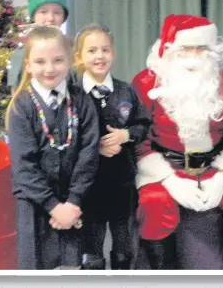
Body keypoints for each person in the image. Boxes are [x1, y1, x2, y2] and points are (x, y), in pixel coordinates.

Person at [131, 14, 223, 270]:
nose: (193, 56)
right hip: (165, 168)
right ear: (167, 51)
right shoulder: (145, 83)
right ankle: (163, 273)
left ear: (213, 51)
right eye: (184, 49)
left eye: (201, 49)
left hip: (216, 167)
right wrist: (168, 180)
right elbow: (139, 141)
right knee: (154, 202)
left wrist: (222, 177)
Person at [6, 26, 99, 270]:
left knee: (71, 269)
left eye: (58, 60)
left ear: (69, 61)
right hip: (35, 207)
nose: (49, 69)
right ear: (27, 65)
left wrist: (73, 203)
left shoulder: (81, 102)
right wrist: (53, 207)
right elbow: (24, 167)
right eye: (40, 61)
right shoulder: (21, 107)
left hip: (73, 204)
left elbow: (88, 155)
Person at [74, 23, 150, 269]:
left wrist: (125, 135)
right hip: (88, 186)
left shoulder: (126, 90)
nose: (99, 56)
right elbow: (67, 135)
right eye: (92, 50)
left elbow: (143, 125)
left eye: (105, 50)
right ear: (79, 57)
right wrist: (94, 146)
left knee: (124, 245)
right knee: (92, 246)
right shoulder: (73, 95)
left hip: (122, 183)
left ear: (113, 53)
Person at [7, 0, 71, 95]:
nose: (50, 18)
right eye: (43, 12)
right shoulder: (23, 51)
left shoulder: (70, 48)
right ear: (34, 16)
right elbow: (15, 90)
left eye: (57, 12)